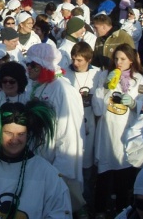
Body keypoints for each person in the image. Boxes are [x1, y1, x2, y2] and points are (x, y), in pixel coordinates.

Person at [26, 43, 85, 213]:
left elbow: (70, 134)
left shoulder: (63, 90)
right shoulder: (38, 86)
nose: (28, 68)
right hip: (40, 162)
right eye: (27, 64)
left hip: (57, 167)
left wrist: (60, 173)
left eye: (33, 65)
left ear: (44, 66)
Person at [93, 43, 143, 216]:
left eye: (123, 59)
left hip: (125, 130)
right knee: (104, 175)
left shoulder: (139, 80)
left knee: (123, 176)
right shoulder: (104, 76)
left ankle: (122, 208)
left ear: (131, 60)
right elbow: (97, 108)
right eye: (116, 58)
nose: (118, 62)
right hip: (107, 132)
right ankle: (100, 209)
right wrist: (104, 89)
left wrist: (133, 103)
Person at [64, 41, 106, 215]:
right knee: (73, 165)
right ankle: (74, 203)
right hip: (72, 123)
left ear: (88, 59)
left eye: (80, 60)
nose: (76, 63)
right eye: (74, 59)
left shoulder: (97, 74)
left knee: (88, 168)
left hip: (91, 122)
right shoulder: (65, 74)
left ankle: (87, 203)